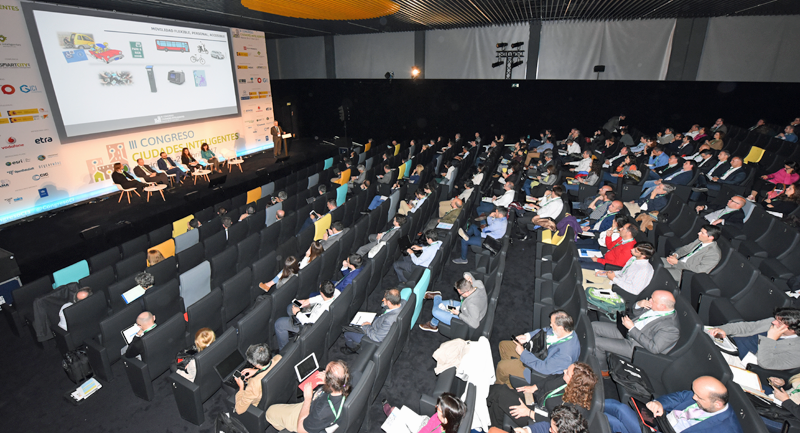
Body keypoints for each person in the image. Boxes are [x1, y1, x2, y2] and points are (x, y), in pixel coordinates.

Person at [604, 376, 742, 433]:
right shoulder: (704, 397)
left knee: (619, 409)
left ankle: (584, 403)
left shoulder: (726, 428)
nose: (693, 397)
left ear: (718, 404)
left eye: (698, 397)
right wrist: (659, 403)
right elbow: (679, 396)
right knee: (612, 422)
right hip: (660, 421)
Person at [487, 362, 597, 432]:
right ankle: (493, 427)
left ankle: (476, 401)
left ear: (574, 383)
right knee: (500, 398)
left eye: (567, 372)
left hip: (538, 419)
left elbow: (554, 422)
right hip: (535, 400)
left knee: (500, 393)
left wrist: (529, 413)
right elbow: (550, 379)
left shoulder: (574, 409)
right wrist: (534, 387)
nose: (564, 371)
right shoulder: (564, 380)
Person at [591, 290, 680, 365]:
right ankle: (591, 352)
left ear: (662, 306)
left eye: (653, 300)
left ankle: (602, 369)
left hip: (636, 346)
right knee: (593, 326)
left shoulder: (671, 329)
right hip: (627, 330)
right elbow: (636, 313)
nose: (649, 300)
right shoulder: (658, 308)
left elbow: (654, 348)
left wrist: (632, 329)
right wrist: (638, 304)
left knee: (597, 343)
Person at [495, 310, 580, 387]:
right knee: (503, 345)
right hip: (539, 353)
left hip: (538, 371)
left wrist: (523, 354)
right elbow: (545, 330)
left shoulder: (566, 355)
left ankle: (500, 385)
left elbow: (543, 368)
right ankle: (509, 380)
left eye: (552, 324)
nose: (550, 325)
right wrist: (527, 337)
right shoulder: (566, 331)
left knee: (502, 366)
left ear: (561, 328)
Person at [266, 360, 350, 432]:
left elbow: (301, 430)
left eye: (325, 372)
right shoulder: (344, 386)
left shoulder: (322, 411)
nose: (323, 372)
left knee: (270, 412)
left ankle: (288, 428)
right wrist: (326, 381)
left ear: (331, 383)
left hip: (306, 417)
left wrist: (307, 398)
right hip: (315, 402)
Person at [708, 308, 800, 370]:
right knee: (702, 333)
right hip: (729, 343)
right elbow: (747, 327)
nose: (773, 322)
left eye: (779, 322)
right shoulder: (772, 322)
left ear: (792, 330)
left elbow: (766, 364)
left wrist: (770, 340)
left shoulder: (797, 352)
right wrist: (723, 330)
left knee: (704, 350)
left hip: (739, 360)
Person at [274, 281, 340, 350]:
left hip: (308, 326)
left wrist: (297, 313)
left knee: (279, 323)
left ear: (322, 293)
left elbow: (308, 323)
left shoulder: (322, 311)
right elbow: (322, 297)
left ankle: (284, 350)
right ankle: (293, 331)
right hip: (313, 314)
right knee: (290, 307)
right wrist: (308, 301)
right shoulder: (336, 292)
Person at [419, 273, 488, 333]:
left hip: (464, 319)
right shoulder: (478, 284)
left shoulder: (472, 305)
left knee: (435, 311)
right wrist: (467, 275)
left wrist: (458, 314)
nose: (459, 295)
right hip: (464, 306)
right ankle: (433, 324)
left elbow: (475, 324)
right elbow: (467, 273)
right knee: (440, 305)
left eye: (461, 293)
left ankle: (437, 297)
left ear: (467, 292)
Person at [234, 343, 282, 414]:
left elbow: (239, 410)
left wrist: (241, 388)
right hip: (278, 391)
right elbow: (270, 368)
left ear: (257, 365)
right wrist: (257, 370)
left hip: (262, 406)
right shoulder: (278, 358)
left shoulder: (254, 384)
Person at [384, 393, 467, 433]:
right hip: (424, 425)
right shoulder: (440, 418)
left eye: (439, 408)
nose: (436, 407)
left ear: (445, 420)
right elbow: (428, 426)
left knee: (394, 423)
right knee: (394, 410)